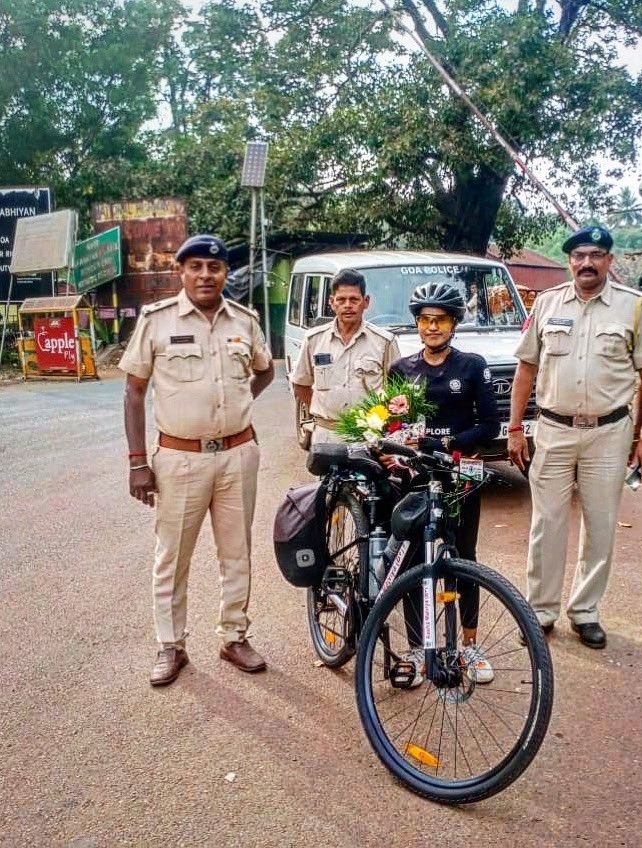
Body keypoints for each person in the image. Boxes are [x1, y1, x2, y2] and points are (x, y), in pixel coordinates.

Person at [120, 234, 275, 686]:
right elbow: (133, 390)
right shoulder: (157, 320)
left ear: (226, 273)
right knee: (172, 555)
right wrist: (136, 461)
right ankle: (171, 645)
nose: (206, 275)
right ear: (181, 272)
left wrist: (240, 403)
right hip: (179, 458)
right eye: (196, 267)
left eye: (215, 267)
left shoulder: (244, 321)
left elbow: (265, 369)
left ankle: (233, 636)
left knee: (237, 552)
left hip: (236, 455)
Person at [508, 225, 642, 649]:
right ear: (569, 261)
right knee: (547, 523)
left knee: (601, 525)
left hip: (608, 434)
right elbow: (525, 367)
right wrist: (515, 427)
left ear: (609, 261)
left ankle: (586, 612)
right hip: (554, 430)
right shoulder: (546, 304)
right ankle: (540, 612)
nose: (587, 263)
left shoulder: (633, 307)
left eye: (596, 254)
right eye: (579, 255)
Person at [389, 282, 499, 684]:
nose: (432, 327)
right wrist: (395, 447)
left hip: (461, 473)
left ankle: (468, 645)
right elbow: (394, 425)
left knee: (463, 557)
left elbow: (488, 426)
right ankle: (419, 649)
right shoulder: (402, 370)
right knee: (416, 560)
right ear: (417, 323)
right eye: (425, 319)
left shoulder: (472, 365)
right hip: (418, 477)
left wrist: (446, 443)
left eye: (441, 320)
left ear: (454, 323)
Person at [291, 269, 400, 445]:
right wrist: (324, 409)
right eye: (341, 299)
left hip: (368, 435)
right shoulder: (314, 340)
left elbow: (396, 394)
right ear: (332, 302)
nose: (348, 305)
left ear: (366, 302)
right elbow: (301, 384)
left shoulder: (384, 342)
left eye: (354, 299)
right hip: (326, 435)